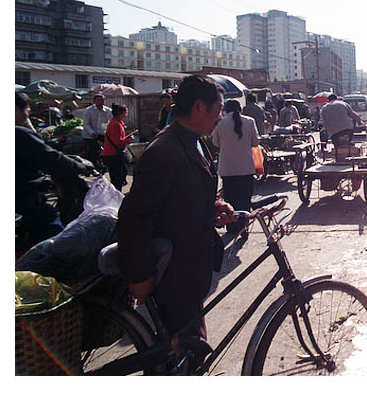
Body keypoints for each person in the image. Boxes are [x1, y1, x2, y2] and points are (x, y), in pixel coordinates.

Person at [117, 75, 237, 340]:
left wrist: (216, 205)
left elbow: (189, 192)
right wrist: (139, 275)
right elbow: (132, 217)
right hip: (173, 273)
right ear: (198, 107)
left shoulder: (195, 140)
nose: (220, 117)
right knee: (180, 352)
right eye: (217, 110)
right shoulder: (164, 150)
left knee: (193, 345)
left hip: (192, 267)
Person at [16, 92, 92, 247]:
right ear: (16, 110)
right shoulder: (19, 134)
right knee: (56, 239)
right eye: (27, 112)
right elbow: (51, 159)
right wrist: (81, 168)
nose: (27, 117)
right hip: (25, 199)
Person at [212, 99, 259, 237]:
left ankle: (232, 227)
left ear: (226, 109)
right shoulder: (250, 121)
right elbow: (255, 142)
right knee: (244, 199)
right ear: (240, 109)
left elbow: (215, 142)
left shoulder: (220, 122)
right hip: (246, 168)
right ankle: (244, 226)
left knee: (230, 198)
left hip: (227, 168)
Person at [101, 104, 137, 192]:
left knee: (120, 175)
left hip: (113, 154)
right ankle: (116, 197)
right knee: (117, 178)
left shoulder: (116, 123)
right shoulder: (116, 125)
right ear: (120, 114)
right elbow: (118, 142)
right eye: (125, 113)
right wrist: (129, 139)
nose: (126, 115)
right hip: (113, 154)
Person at [81, 94, 112, 167]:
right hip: (89, 135)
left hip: (102, 133)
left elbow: (112, 120)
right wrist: (92, 133)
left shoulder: (108, 110)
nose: (101, 102)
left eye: (102, 100)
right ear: (94, 101)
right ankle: (93, 166)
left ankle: (107, 162)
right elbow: (86, 124)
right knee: (94, 149)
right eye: (99, 100)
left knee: (110, 146)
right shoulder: (88, 110)